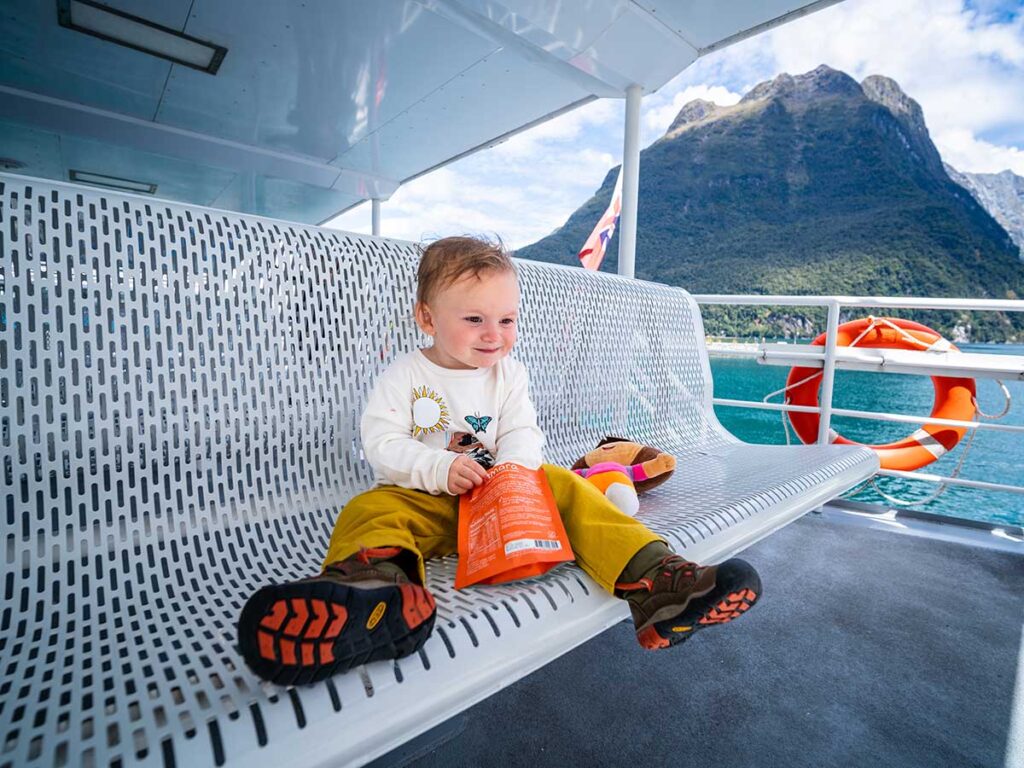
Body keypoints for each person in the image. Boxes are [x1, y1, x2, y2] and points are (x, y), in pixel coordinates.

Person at [238, 236, 762, 685]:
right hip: (422, 499)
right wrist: (440, 468)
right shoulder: (404, 374)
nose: (495, 334)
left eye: (507, 319)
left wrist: (513, 474)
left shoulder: (508, 374)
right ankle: (375, 594)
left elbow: (522, 431)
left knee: (566, 486)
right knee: (370, 508)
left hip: (500, 506)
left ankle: (658, 583)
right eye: (474, 319)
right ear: (427, 318)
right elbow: (380, 443)